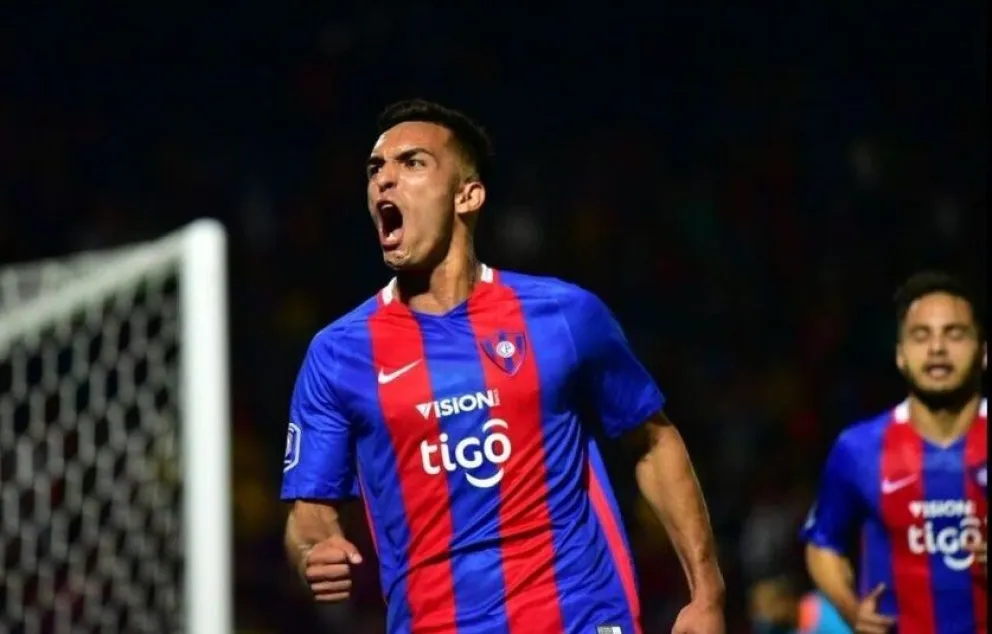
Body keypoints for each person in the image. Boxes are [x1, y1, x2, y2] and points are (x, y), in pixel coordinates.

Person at [279, 99, 725, 634]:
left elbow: (653, 441)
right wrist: (312, 552)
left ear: (467, 195)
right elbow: (310, 511)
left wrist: (707, 593)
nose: (384, 180)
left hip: (580, 616)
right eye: (376, 169)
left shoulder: (564, 315)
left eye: (412, 163)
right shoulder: (338, 354)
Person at [801, 271, 987, 634]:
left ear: (983, 353)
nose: (937, 348)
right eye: (921, 335)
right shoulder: (859, 449)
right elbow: (823, 544)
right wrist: (851, 609)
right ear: (901, 355)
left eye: (954, 334)